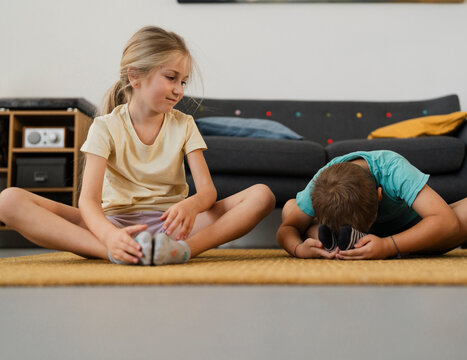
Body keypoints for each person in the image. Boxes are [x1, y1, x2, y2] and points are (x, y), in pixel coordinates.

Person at [0, 26, 275, 265]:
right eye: (171, 77)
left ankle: (182, 252)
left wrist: (190, 207)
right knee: (8, 200)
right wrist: (110, 236)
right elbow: (88, 202)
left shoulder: (184, 124)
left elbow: (207, 192)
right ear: (135, 77)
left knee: (262, 195)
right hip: (115, 224)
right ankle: (114, 251)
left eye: (183, 81)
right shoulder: (105, 126)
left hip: (172, 226)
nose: (179, 89)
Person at [276, 150, 467, 260]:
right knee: (290, 208)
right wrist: (298, 249)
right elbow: (287, 229)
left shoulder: (394, 169)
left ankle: (350, 247)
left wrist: (389, 246)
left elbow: (446, 221)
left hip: (407, 230)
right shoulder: (320, 183)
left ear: (380, 195)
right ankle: (345, 243)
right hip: (346, 232)